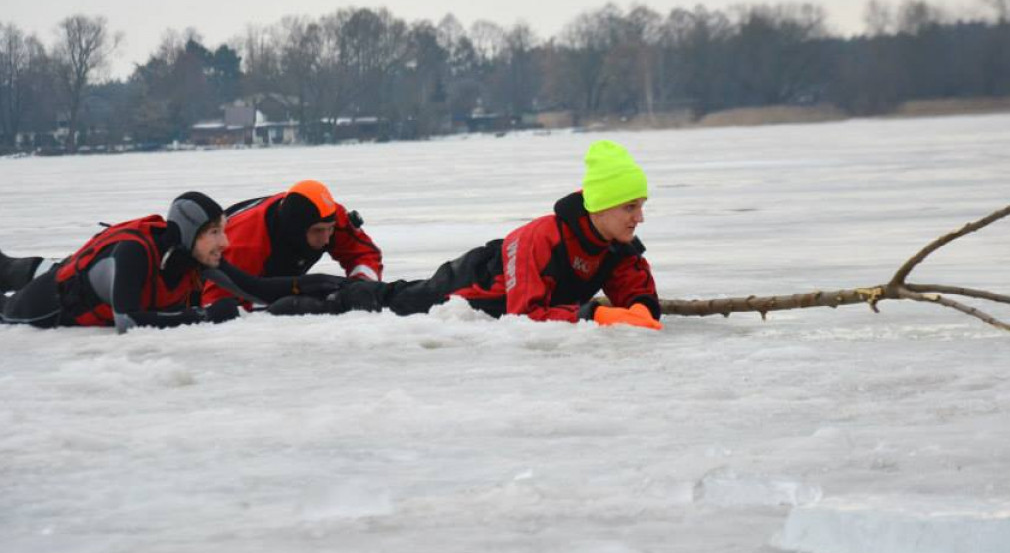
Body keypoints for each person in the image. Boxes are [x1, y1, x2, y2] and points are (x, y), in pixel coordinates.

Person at [272, 140, 663, 329]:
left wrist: (641, 310)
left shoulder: (619, 246)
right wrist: (595, 314)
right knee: (390, 301)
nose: (639, 218)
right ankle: (311, 301)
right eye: (630, 207)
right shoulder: (541, 238)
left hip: (503, 298)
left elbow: (635, 289)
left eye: (640, 205)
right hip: (468, 285)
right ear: (600, 207)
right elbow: (525, 313)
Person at [0, 192, 354, 331]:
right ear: (190, 232)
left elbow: (255, 288)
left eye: (223, 231)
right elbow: (127, 321)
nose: (225, 242)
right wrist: (203, 315)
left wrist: (317, 284)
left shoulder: (194, 255)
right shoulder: (135, 253)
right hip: (41, 309)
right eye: (214, 232)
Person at [200, 179, 383, 312]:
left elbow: (363, 254)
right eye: (318, 231)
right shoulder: (244, 244)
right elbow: (217, 304)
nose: (327, 239)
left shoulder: (330, 215)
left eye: (330, 229)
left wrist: (361, 285)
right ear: (296, 229)